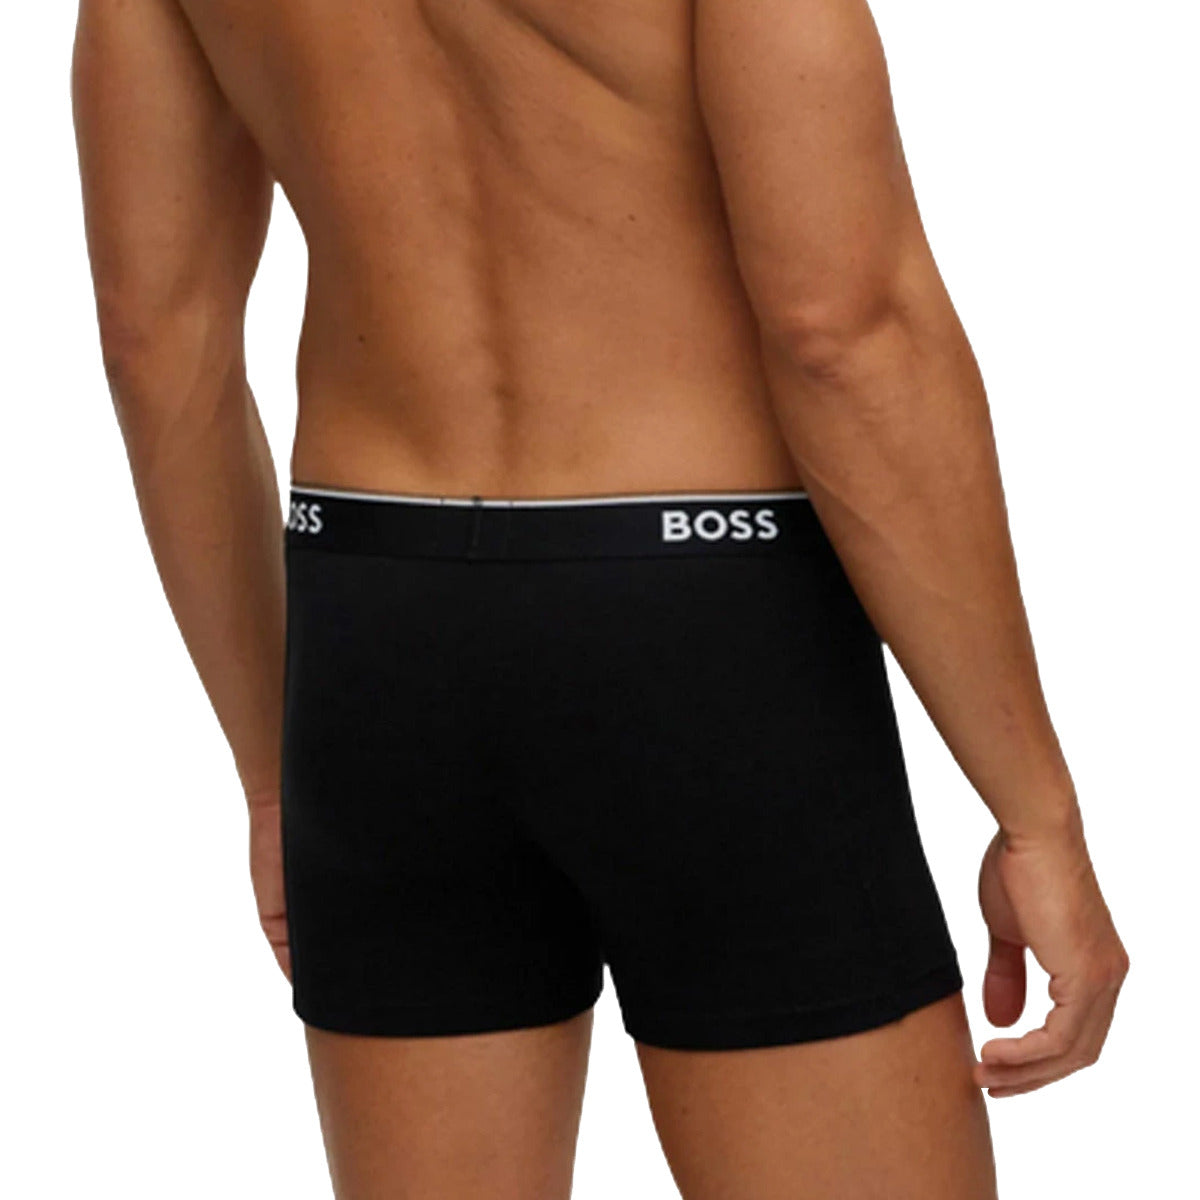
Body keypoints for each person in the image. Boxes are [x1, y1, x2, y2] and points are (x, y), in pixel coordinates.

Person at [71, 1, 1127, 1196]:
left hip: (378, 629)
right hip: (702, 629)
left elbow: (155, 344)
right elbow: (843, 328)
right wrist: (1035, 811)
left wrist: (273, 775)